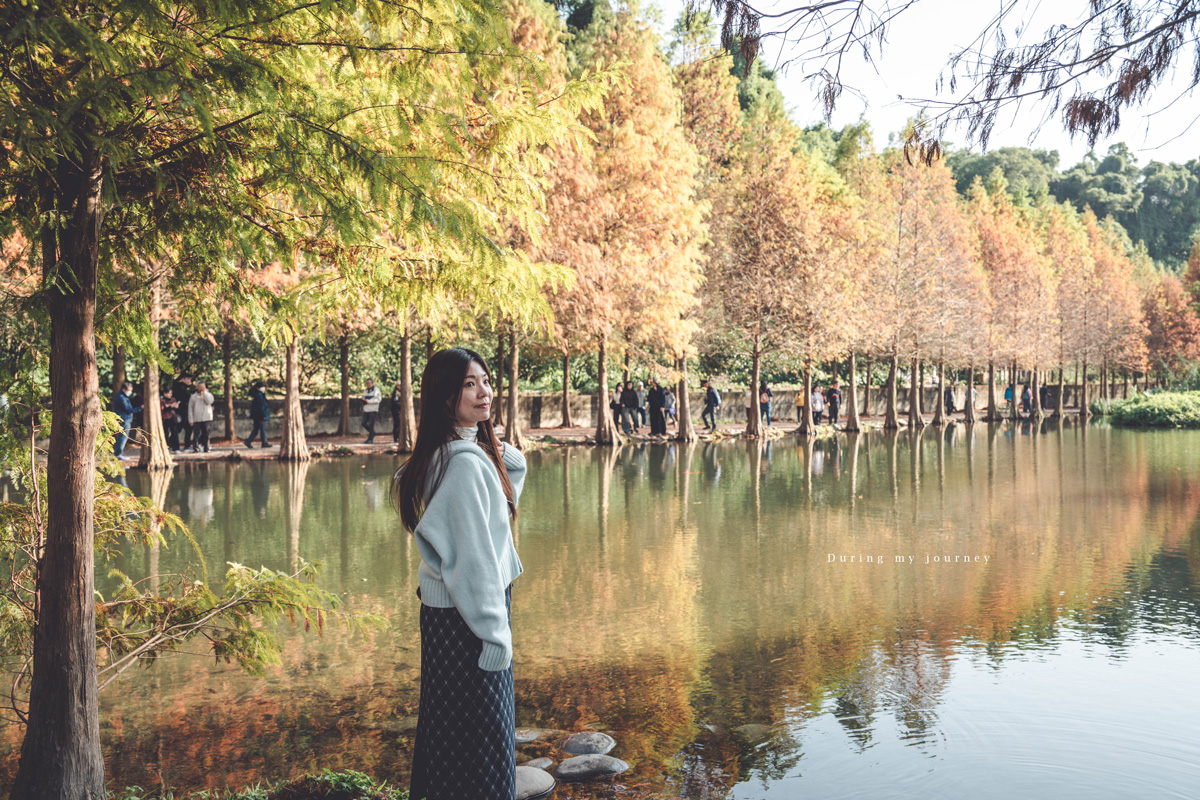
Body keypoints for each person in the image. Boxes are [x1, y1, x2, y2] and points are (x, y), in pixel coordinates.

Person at [392, 348, 525, 800]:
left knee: (449, 737)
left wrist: (505, 459)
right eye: (470, 384)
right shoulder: (466, 465)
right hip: (470, 621)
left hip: (447, 619)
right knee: (485, 743)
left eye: (485, 380)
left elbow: (494, 515)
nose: (484, 391)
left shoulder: (449, 453)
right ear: (446, 395)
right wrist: (496, 636)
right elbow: (477, 564)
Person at [112, 381, 141, 460]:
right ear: (123, 389)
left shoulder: (123, 396)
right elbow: (128, 409)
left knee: (122, 437)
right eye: (129, 390)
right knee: (123, 437)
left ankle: (118, 453)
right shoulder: (121, 397)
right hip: (124, 419)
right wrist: (140, 408)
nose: (130, 392)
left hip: (125, 419)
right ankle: (118, 454)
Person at [188, 380, 215, 453]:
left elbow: (209, 401)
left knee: (206, 433)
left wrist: (205, 393)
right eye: (200, 386)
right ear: (197, 387)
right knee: (196, 434)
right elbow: (190, 409)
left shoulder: (208, 395)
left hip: (207, 417)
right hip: (197, 418)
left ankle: (206, 447)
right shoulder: (193, 397)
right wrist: (191, 419)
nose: (201, 388)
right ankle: (195, 448)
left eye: (203, 386)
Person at [245, 381, 271, 448]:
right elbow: (261, 407)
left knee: (256, 429)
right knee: (262, 429)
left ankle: (248, 441)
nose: (264, 388)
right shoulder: (259, 396)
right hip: (260, 416)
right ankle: (264, 442)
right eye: (262, 387)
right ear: (258, 388)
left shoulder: (259, 395)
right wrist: (263, 415)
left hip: (257, 415)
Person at [171, 374, 194, 449]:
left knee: (185, 428)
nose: (189, 381)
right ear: (183, 379)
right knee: (180, 428)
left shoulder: (183, 387)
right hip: (182, 412)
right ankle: (172, 444)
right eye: (187, 379)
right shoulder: (180, 388)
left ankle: (185, 445)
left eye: (190, 379)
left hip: (184, 412)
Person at [362, 377, 382, 443]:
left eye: (369, 383)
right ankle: (372, 433)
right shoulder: (366, 391)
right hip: (366, 409)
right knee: (363, 423)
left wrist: (369, 401)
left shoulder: (376, 390)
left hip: (373, 410)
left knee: (371, 424)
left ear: (372, 383)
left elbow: (378, 400)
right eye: (367, 383)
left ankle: (370, 439)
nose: (368, 384)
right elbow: (364, 398)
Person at [161, 388, 180, 453]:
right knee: (166, 433)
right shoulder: (162, 400)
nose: (170, 395)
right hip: (165, 417)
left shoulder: (173, 399)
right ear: (165, 393)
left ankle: (176, 448)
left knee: (175, 432)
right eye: (168, 393)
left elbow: (176, 407)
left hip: (172, 417)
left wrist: (176, 406)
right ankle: (167, 447)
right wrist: (170, 406)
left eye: (171, 393)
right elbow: (163, 408)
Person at [391, 379, 404, 444]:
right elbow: (396, 402)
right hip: (396, 410)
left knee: (398, 424)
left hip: (398, 410)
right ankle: (396, 438)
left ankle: (397, 437)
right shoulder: (396, 392)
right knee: (397, 424)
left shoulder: (399, 392)